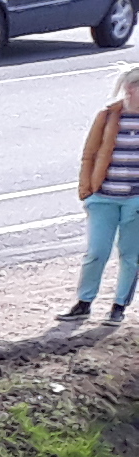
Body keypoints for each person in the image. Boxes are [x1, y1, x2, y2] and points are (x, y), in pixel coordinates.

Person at [76, 64, 139, 323]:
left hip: (135, 201)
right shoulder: (108, 116)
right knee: (96, 252)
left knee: (130, 256)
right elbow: (89, 154)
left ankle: (118, 307)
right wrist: (87, 193)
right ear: (130, 89)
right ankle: (83, 303)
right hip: (104, 197)